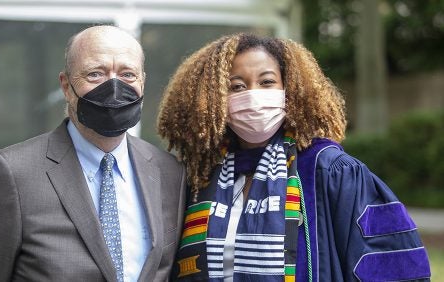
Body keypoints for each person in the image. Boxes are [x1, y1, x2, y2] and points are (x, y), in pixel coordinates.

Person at [157, 33, 431, 281]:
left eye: (267, 82)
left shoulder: (327, 170)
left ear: (291, 90)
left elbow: (393, 267)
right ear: (214, 99)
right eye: (237, 86)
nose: (253, 96)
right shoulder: (202, 178)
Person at [0, 25, 186, 282]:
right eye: (95, 74)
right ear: (66, 86)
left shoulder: (170, 173)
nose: (114, 87)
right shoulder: (12, 174)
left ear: (142, 82)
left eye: (127, 74)